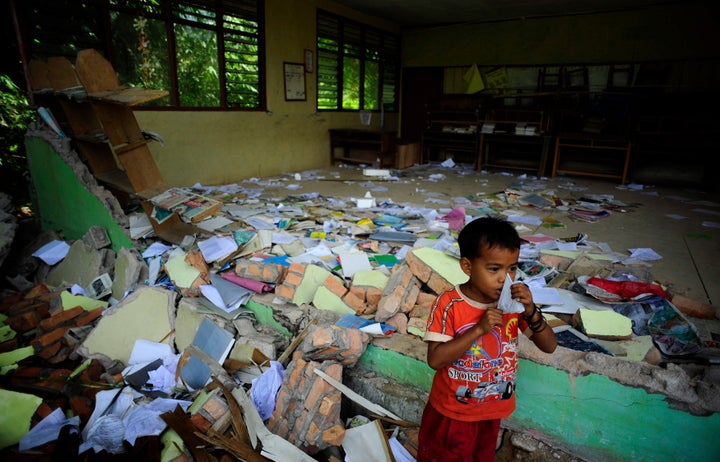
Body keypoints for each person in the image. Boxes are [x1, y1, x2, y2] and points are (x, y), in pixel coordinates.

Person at [417, 216, 557, 462]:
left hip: (492, 408)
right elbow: (435, 360)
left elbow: (549, 346)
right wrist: (478, 330)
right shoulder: (450, 304)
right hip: (454, 411)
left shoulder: (512, 305)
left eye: (512, 268)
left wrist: (531, 310)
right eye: (494, 269)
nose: (505, 278)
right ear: (467, 267)